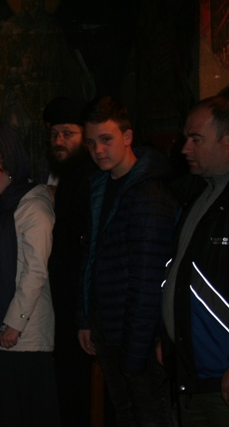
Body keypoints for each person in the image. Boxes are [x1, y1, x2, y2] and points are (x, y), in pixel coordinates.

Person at [77, 96, 176, 427]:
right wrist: (87, 318)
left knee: (149, 417)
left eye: (106, 139)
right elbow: (91, 257)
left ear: (128, 136)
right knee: (125, 414)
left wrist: (135, 351)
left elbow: (148, 280)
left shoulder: (149, 191)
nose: (98, 150)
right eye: (91, 142)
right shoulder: (101, 185)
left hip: (138, 337)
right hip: (109, 327)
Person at [0, 121, 60, 426]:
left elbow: (35, 272)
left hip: (25, 333)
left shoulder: (33, 207)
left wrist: (14, 323)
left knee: (23, 412)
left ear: (10, 167)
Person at [161, 92, 229, 426]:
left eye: (196, 139)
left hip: (220, 381)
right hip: (191, 371)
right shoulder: (199, 194)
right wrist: (168, 339)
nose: (185, 148)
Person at [42, 96, 95, 426]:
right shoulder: (69, 176)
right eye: (53, 134)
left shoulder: (89, 176)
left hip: (80, 305)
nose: (59, 141)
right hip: (66, 302)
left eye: (67, 133)